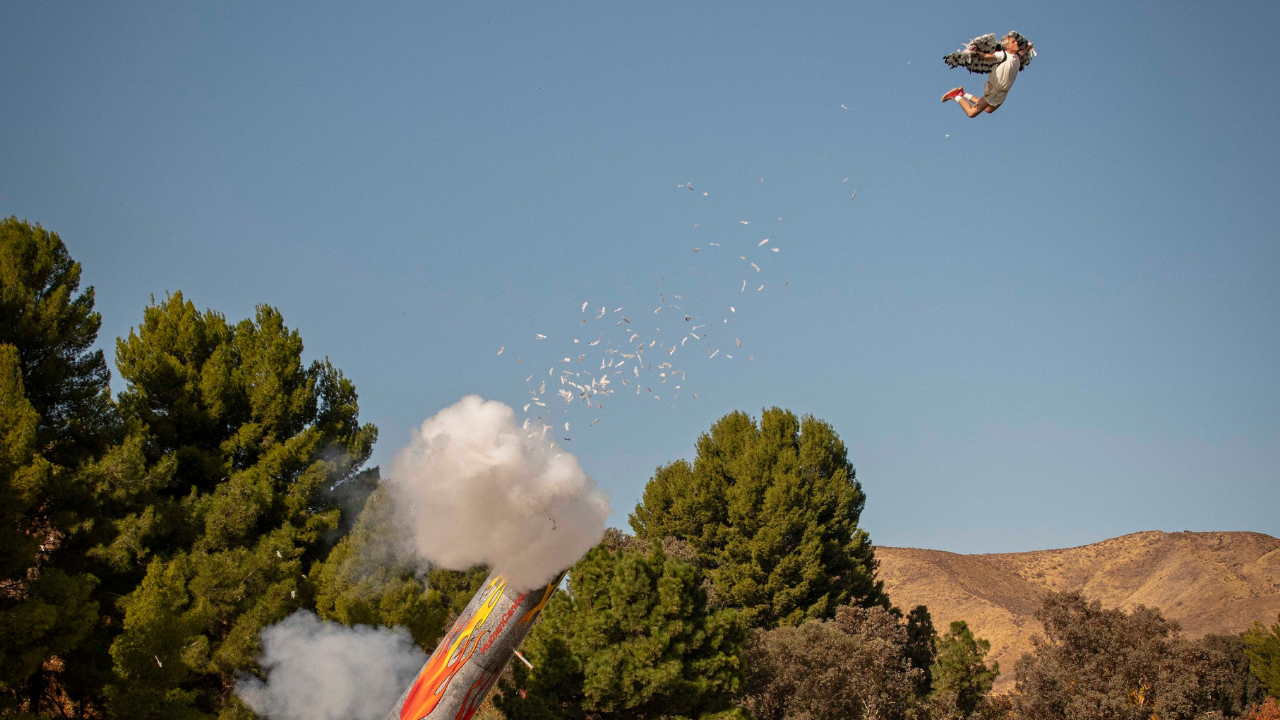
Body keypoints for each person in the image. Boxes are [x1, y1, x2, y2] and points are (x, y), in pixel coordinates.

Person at [941, 32, 1033, 117]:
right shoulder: (1002, 55)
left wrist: (1029, 46)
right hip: (995, 91)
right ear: (1007, 46)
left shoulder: (1017, 56)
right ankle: (955, 95)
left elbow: (1024, 51)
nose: (1016, 43)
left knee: (989, 109)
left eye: (1016, 41)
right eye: (1013, 42)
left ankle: (963, 93)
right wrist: (973, 53)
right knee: (971, 113)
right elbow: (987, 57)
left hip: (1003, 92)